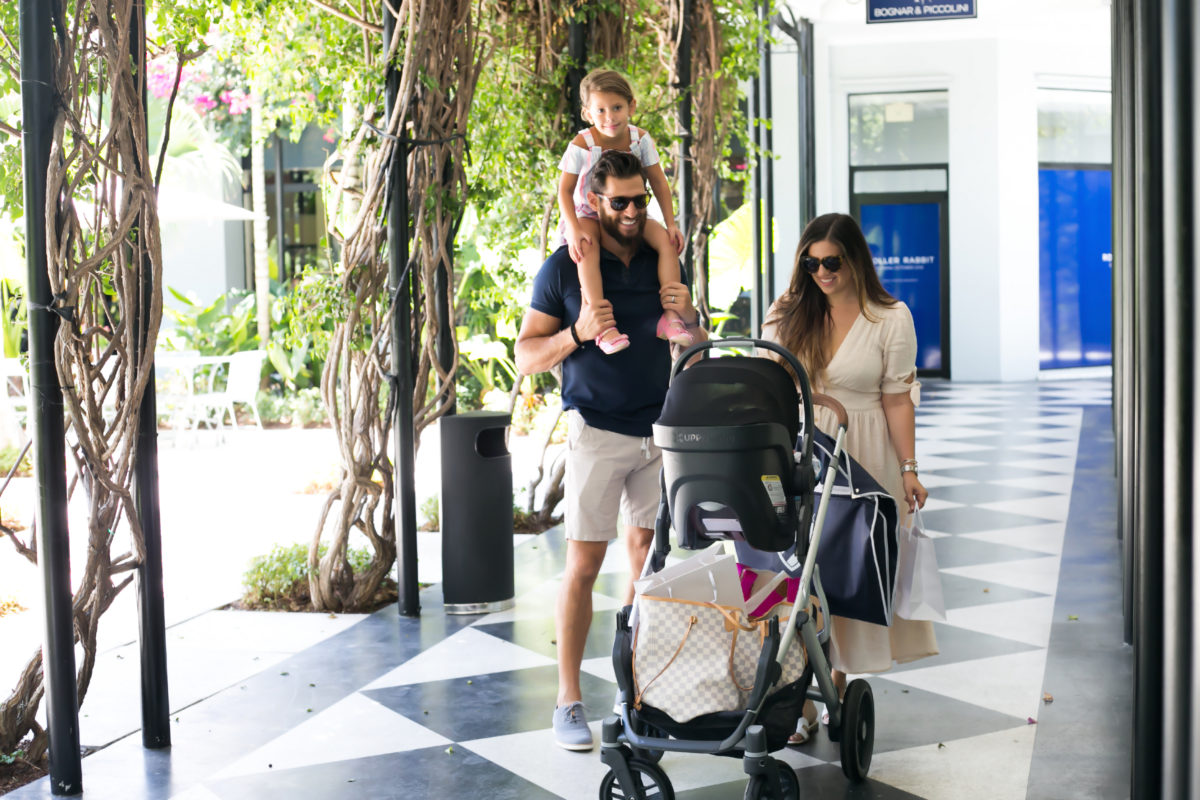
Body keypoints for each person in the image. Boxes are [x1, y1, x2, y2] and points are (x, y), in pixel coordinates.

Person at [515, 149, 707, 751]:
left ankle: (633, 688)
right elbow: (526, 354)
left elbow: (694, 339)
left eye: (638, 201)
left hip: (658, 433)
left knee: (648, 562)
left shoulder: (660, 256)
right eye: (619, 202)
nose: (631, 212)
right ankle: (568, 699)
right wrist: (576, 333)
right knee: (583, 566)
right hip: (596, 433)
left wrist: (692, 321)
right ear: (593, 201)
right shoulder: (566, 265)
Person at [761, 212, 937, 744]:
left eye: (831, 262)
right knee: (796, 572)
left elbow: (897, 399)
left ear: (856, 258)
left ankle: (831, 685)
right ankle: (799, 693)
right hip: (801, 452)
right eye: (810, 263)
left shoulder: (890, 317)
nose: (821, 272)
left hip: (864, 450)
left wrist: (908, 469)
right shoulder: (787, 312)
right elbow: (770, 380)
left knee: (847, 568)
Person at [557, 69, 692, 354]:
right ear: (588, 113)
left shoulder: (639, 139)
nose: (610, 117)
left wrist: (671, 224)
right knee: (587, 249)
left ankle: (669, 316)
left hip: (629, 210)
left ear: (631, 106)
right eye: (601, 110)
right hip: (588, 212)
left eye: (617, 108)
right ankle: (602, 325)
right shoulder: (582, 145)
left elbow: (659, 182)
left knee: (666, 243)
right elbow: (564, 191)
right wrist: (574, 228)